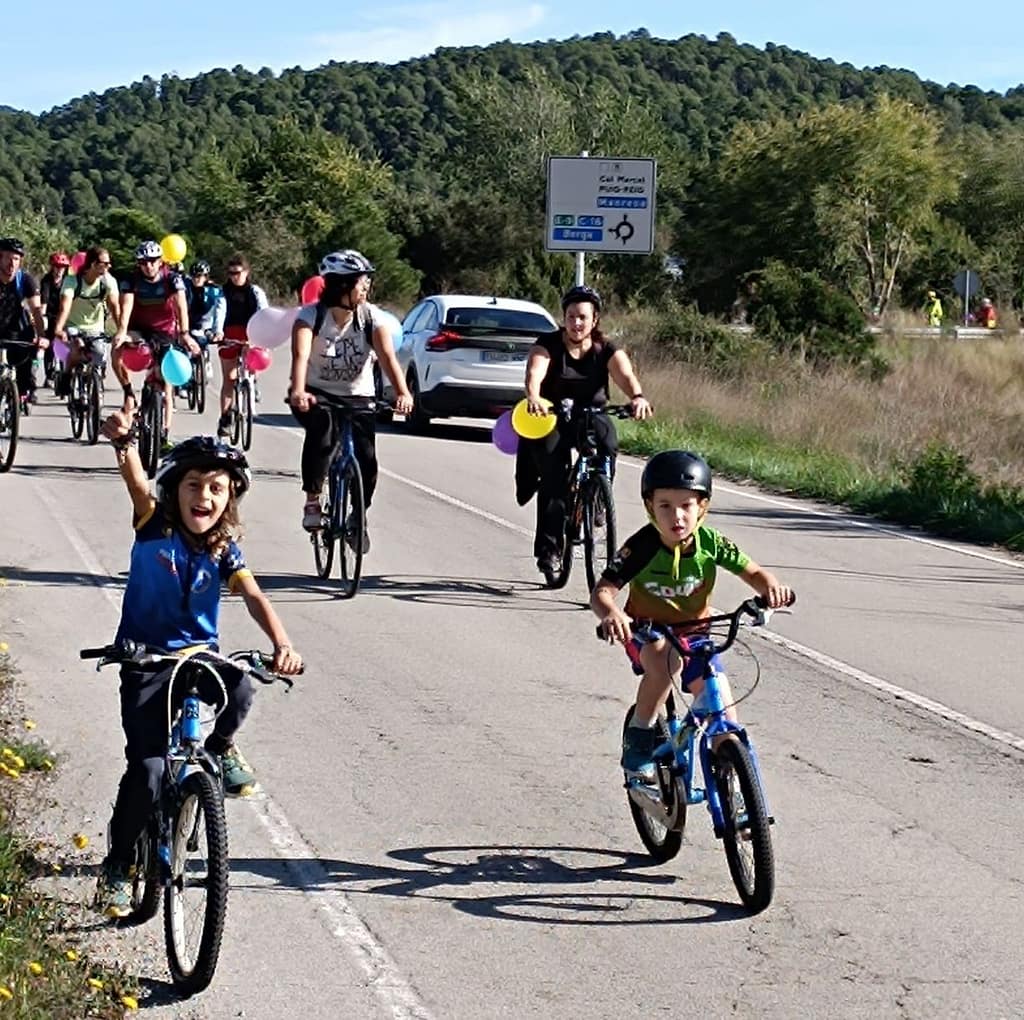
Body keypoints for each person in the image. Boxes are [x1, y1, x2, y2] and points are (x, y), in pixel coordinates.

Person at [92, 421, 303, 917]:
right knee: (146, 771)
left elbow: (252, 595)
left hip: (197, 658)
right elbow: (136, 484)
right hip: (145, 660)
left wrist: (282, 642)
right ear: (174, 491)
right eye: (193, 485)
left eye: (216, 488)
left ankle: (221, 749)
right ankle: (119, 866)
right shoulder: (154, 526)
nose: (203, 496)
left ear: (229, 498)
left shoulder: (224, 549)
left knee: (244, 685)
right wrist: (124, 445)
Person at [591, 450, 794, 779]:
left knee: (724, 714)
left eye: (687, 505)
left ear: (702, 507)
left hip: (695, 634)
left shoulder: (711, 543)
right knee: (665, 662)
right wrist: (612, 614)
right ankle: (639, 735)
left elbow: (754, 573)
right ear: (650, 508)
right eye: (665, 506)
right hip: (646, 632)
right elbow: (602, 592)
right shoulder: (641, 546)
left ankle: (738, 800)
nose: (677, 517)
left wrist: (771, 588)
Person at [518, 284, 652, 575]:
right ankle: (550, 551)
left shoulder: (607, 350)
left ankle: (598, 498)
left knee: (608, 442)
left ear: (595, 320)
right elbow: (534, 373)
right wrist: (533, 397)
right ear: (563, 318)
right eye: (570, 316)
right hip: (552, 415)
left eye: (582, 317)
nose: (576, 323)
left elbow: (625, 375)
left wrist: (637, 397)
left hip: (592, 413)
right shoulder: (548, 344)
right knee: (553, 477)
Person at [288, 249, 414, 545]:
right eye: (361, 282)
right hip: (318, 393)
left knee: (368, 460)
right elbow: (300, 355)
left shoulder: (372, 319)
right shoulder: (311, 317)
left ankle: (359, 516)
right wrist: (298, 390)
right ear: (342, 286)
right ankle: (312, 500)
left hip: (359, 395)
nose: (366, 288)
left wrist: (403, 393)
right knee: (322, 434)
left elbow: (387, 359)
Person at [112, 240, 199, 448]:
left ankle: (164, 434)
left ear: (160, 261)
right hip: (138, 329)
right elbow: (126, 306)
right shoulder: (131, 280)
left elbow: (181, 307)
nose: (148, 266)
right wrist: (122, 332)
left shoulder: (172, 279)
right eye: (143, 262)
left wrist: (185, 334)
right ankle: (129, 392)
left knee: (166, 384)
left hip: (164, 331)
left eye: (152, 261)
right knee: (116, 348)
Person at [52, 246, 120, 396]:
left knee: (100, 352)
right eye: (105, 263)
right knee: (76, 347)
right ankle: (67, 374)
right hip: (73, 325)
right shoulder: (72, 281)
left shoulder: (108, 282)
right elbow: (65, 307)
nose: (109, 266)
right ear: (93, 264)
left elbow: (115, 307)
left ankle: (95, 388)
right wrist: (58, 329)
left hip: (95, 327)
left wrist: (121, 330)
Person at [217, 256, 267, 439]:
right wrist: (217, 332)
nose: (233, 277)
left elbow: (264, 313)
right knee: (229, 378)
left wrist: (262, 334)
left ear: (246, 272)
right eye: (230, 274)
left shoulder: (255, 292)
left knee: (255, 359)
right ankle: (225, 418)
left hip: (251, 331)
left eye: (237, 273)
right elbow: (219, 312)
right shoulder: (223, 292)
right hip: (229, 333)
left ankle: (252, 380)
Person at [0, 237, 48, 408]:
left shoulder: (26, 280)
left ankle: (21, 393)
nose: (11, 264)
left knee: (24, 366)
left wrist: (42, 336)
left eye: (16, 259)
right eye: (8, 258)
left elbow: (36, 310)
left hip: (18, 330)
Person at [183, 259, 225, 377]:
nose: (196, 279)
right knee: (184, 345)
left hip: (206, 321)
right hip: (189, 320)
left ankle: (206, 358)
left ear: (206, 277)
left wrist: (218, 330)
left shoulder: (214, 290)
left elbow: (219, 310)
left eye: (200, 276)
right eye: (194, 276)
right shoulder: (185, 286)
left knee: (204, 338)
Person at [38, 252, 71, 384]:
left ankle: (66, 373)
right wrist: (42, 318)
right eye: (57, 267)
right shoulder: (46, 280)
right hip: (51, 315)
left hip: (65, 314)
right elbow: (44, 302)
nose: (59, 270)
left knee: (66, 345)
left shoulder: (68, 280)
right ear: (52, 267)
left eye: (62, 267)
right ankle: (49, 374)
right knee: (50, 345)